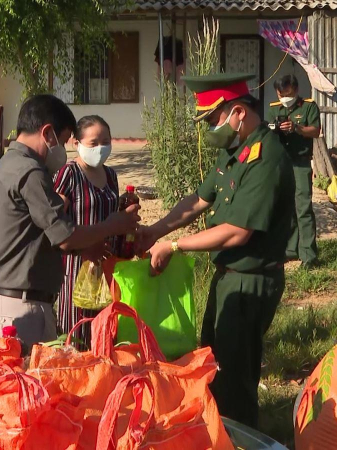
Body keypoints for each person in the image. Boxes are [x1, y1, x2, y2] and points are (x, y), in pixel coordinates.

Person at [137, 73, 296, 428]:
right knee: (215, 365)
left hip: (251, 280)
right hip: (229, 279)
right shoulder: (235, 150)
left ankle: (240, 435)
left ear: (237, 112)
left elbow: (236, 233)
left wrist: (175, 245)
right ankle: (217, 431)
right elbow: (198, 201)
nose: (210, 128)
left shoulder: (265, 157)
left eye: (212, 119)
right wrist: (154, 231)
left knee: (236, 380)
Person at [0, 95, 140, 346]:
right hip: (22, 305)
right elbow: (64, 235)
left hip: (21, 299)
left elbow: (41, 229)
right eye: (64, 140)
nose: (63, 150)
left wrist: (86, 246)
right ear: (47, 133)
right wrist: (113, 225)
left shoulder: (11, 163)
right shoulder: (30, 171)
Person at [53, 115, 119, 349]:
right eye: (93, 143)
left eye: (106, 141)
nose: (100, 148)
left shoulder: (111, 176)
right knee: (76, 340)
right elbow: (55, 224)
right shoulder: (69, 174)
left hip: (107, 271)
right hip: (75, 270)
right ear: (77, 144)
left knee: (104, 337)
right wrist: (83, 248)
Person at [266, 75, 320, 267]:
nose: (284, 98)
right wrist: (273, 129)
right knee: (285, 208)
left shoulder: (308, 107)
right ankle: (290, 249)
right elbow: (267, 130)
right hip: (282, 164)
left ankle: (309, 256)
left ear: (295, 91)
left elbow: (315, 131)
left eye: (287, 94)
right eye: (281, 94)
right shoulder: (274, 107)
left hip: (301, 163)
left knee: (303, 208)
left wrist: (297, 128)